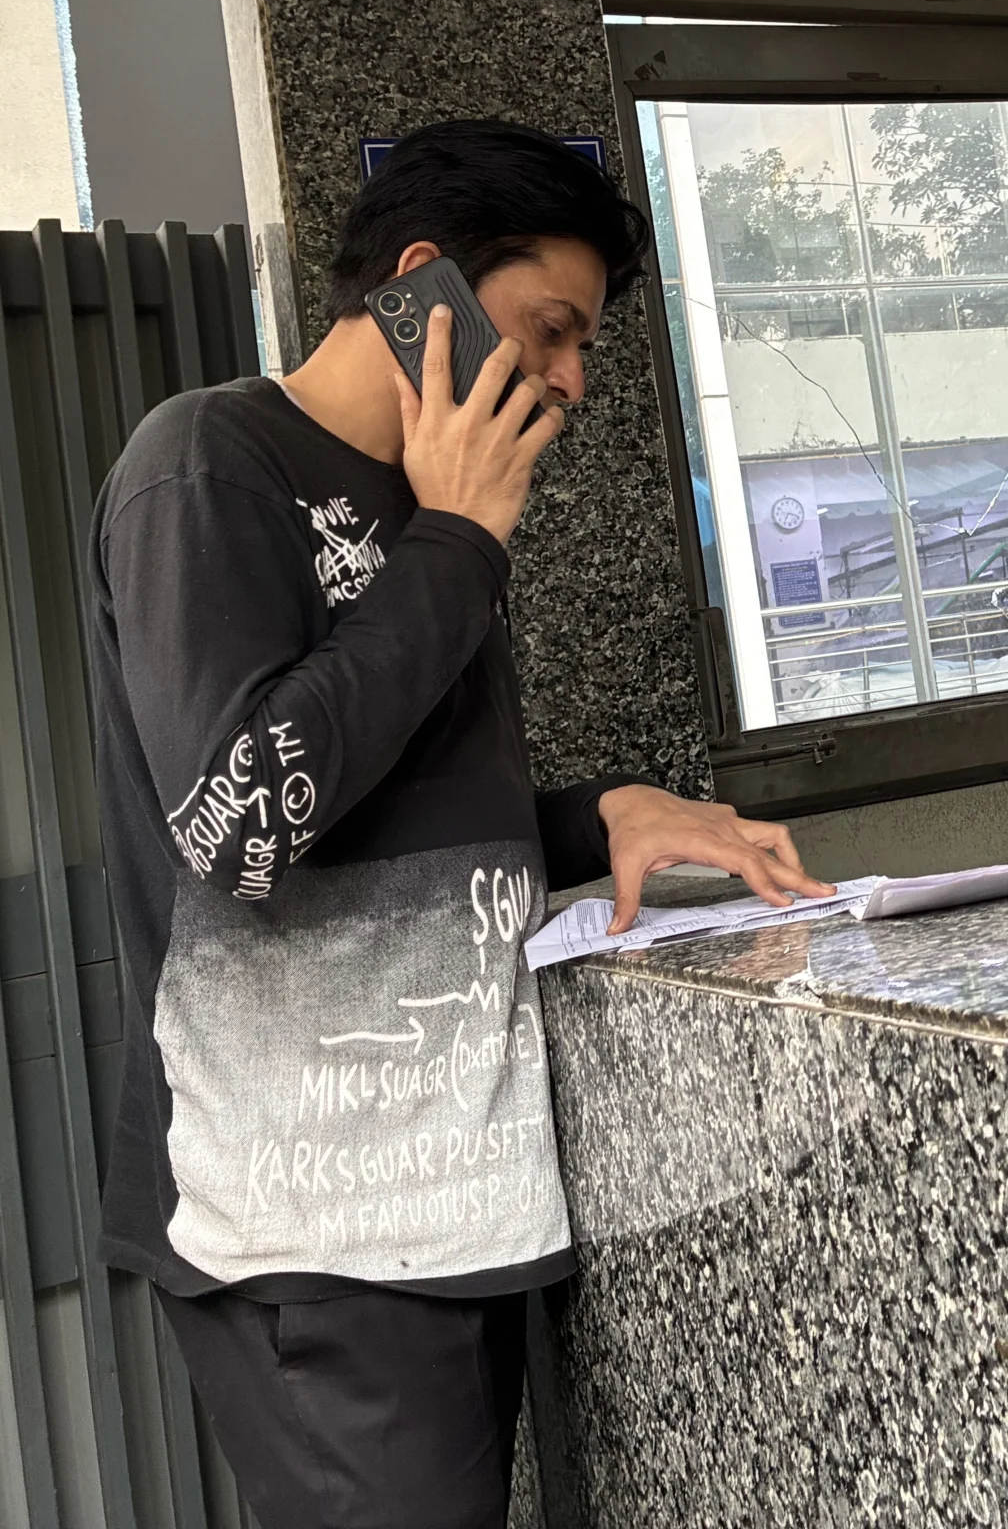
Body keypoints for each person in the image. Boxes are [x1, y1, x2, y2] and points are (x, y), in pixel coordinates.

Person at [87, 119, 827, 1526]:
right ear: (419, 281)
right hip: (312, 1225)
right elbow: (242, 828)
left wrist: (602, 814)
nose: (573, 380)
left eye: (585, 346)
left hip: (458, 1194)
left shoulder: (429, 508)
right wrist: (459, 546)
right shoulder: (209, 463)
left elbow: (385, 820)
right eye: (552, 330)